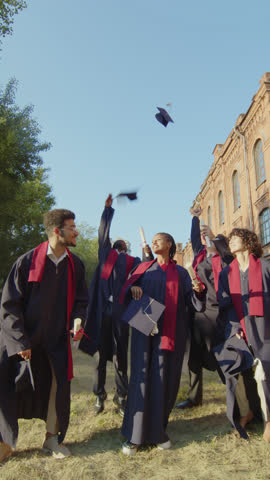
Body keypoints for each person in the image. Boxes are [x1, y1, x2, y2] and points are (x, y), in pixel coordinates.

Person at [0, 209, 88, 463]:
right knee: (6, 385)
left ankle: (52, 438)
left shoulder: (76, 265)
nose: (76, 231)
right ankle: (5, 442)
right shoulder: (26, 262)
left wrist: (77, 320)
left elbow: (82, 300)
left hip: (56, 338)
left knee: (56, 387)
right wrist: (19, 340)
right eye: (72, 227)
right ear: (57, 231)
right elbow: (9, 304)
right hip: (22, 337)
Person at [119, 232, 205, 455]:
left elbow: (193, 304)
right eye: (153, 239)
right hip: (145, 332)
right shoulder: (143, 268)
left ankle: (158, 432)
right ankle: (134, 437)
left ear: (169, 245)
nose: (154, 242)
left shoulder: (181, 273)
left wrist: (198, 292)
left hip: (172, 333)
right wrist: (133, 289)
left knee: (166, 381)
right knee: (142, 379)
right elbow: (125, 291)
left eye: (159, 239)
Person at [80, 194, 142, 416]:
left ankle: (121, 396)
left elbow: (145, 278)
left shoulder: (135, 263)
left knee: (120, 357)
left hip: (121, 315)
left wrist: (137, 286)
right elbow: (102, 234)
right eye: (118, 242)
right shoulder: (107, 256)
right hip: (101, 313)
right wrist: (107, 210)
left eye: (123, 243)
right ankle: (99, 396)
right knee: (99, 357)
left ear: (126, 247)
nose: (120, 243)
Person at [176, 205, 232, 409]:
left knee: (221, 354)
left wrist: (216, 236)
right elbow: (194, 237)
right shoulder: (200, 256)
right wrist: (195, 218)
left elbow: (229, 257)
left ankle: (235, 393)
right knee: (193, 356)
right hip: (197, 311)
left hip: (216, 312)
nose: (206, 241)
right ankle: (194, 397)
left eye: (212, 241)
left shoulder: (224, 260)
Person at [218, 228, 270, 440]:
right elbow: (225, 304)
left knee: (264, 374)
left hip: (264, 326)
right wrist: (234, 328)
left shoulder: (265, 266)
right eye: (229, 240)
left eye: (235, 238)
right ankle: (245, 411)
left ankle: (268, 419)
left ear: (248, 242)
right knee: (233, 371)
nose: (230, 242)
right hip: (238, 327)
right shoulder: (226, 273)